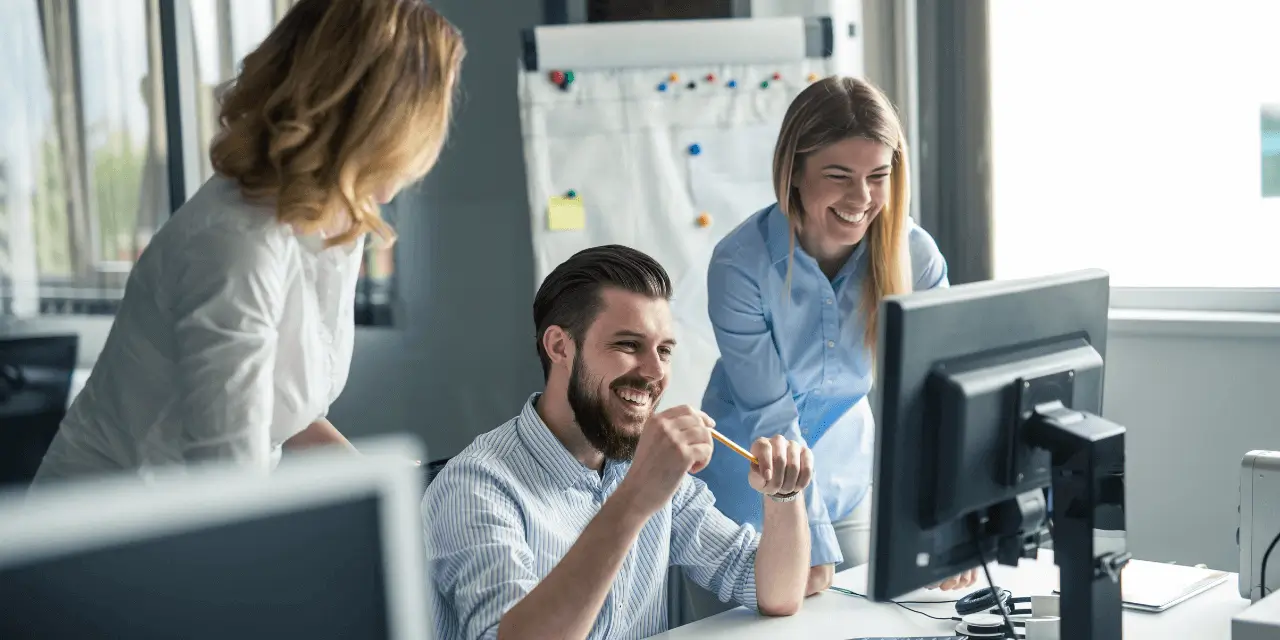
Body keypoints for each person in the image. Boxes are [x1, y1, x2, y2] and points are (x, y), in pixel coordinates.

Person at [31, 0, 464, 484]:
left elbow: (283, 412)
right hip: (112, 529)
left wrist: (393, 488)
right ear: (379, 119)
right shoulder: (234, 244)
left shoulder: (330, 223)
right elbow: (230, 482)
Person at [424, 245, 816, 640]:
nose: (655, 371)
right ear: (559, 346)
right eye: (628, 345)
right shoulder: (475, 486)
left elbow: (775, 593)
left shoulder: (642, 463)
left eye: (664, 350)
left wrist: (784, 495)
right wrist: (636, 499)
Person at [689, 76, 977, 611]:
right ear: (794, 172)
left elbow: (936, 399)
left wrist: (949, 517)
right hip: (744, 491)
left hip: (847, 483)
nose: (862, 198)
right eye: (839, 176)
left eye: (878, 176)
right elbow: (771, 416)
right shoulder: (741, 265)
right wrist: (807, 541)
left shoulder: (915, 258)